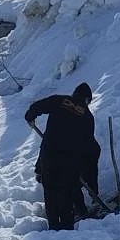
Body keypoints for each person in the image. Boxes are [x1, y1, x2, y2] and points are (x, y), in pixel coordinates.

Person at [25, 83, 101, 230]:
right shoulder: (87, 117)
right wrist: (92, 186)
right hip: (70, 161)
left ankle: (53, 228)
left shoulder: (60, 100)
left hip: (49, 154)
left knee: (50, 193)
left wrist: (30, 116)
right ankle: (66, 230)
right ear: (87, 100)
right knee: (66, 194)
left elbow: (38, 106)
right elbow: (90, 151)